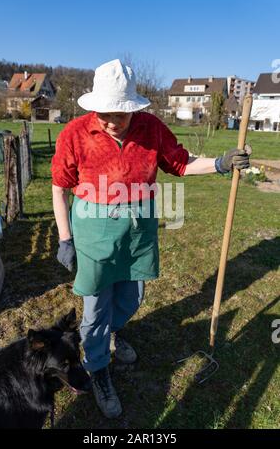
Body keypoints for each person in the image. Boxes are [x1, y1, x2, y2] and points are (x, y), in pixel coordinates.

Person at [51, 59, 250, 419]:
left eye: (120, 114)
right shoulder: (75, 134)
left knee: (132, 296)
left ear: (133, 108)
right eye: (105, 113)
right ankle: (98, 367)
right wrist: (65, 239)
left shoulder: (151, 128)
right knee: (95, 308)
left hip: (138, 227)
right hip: (94, 230)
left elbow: (181, 163)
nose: (112, 121)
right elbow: (59, 188)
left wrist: (220, 163)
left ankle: (110, 334)